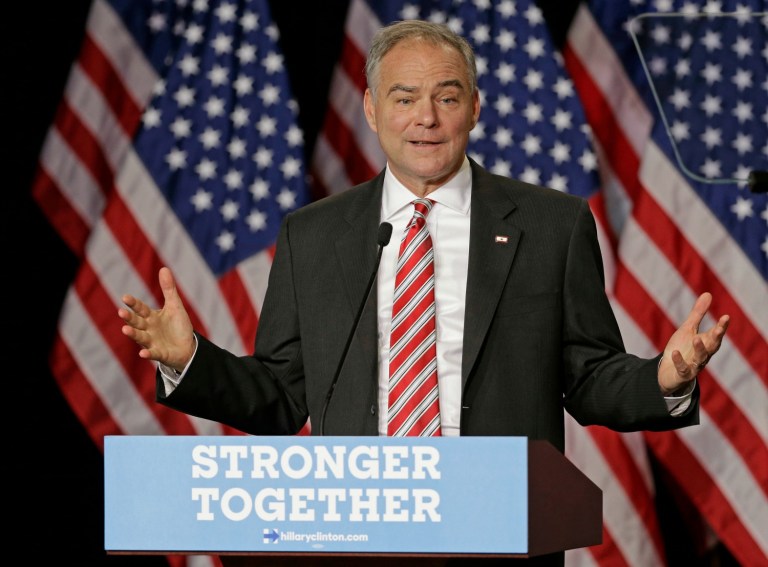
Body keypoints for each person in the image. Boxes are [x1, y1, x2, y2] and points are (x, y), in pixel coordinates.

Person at [118, 19, 729, 565]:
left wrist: (664, 379)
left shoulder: (551, 226)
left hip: (501, 531)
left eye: (446, 97)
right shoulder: (313, 234)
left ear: (475, 109)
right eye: (404, 98)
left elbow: (590, 376)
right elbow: (281, 394)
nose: (425, 118)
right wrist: (191, 360)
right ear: (371, 108)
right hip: (354, 538)